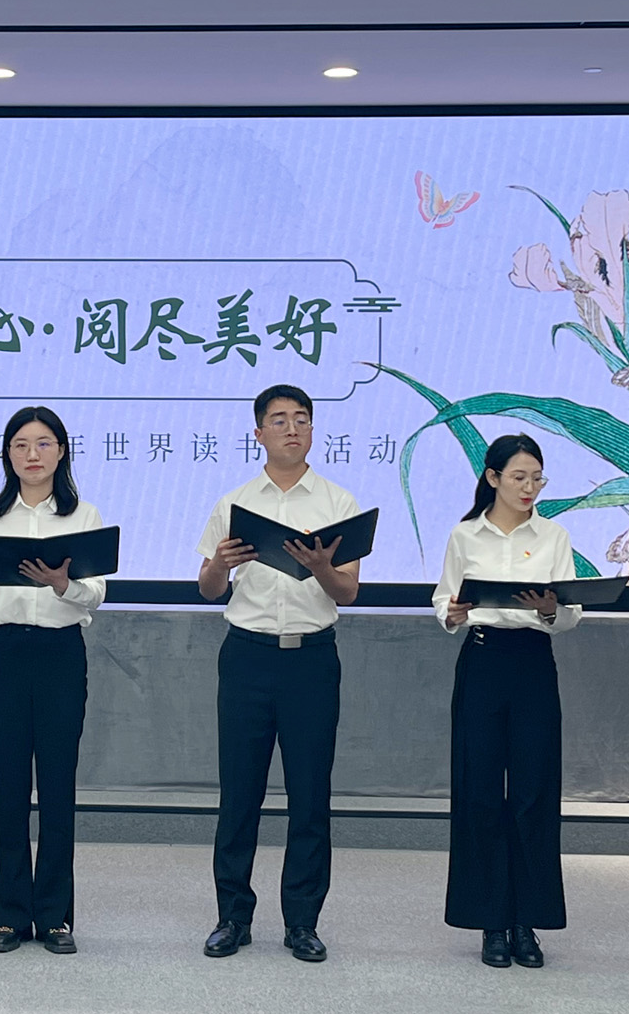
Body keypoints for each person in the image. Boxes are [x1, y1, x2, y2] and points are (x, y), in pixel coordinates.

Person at [196, 384, 361, 963]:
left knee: (310, 795)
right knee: (239, 794)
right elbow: (209, 589)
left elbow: (348, 591)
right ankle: (232, 917)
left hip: (311, 660)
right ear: (259, 433)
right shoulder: (235, 503)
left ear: (313, 430)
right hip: (248, 656)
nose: (292, 429)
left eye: (302, 419)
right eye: (280, 420)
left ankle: (302, 922)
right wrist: (220, 564)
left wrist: (321, 567)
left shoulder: (338, 502)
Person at [0, 406, 105, 956]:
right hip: (6, 652)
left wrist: (63, 584)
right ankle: (10, 916)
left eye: (43, 443)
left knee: (58, 784)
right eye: (20, 444)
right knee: (10, 783)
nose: (32, 454)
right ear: (7, 455)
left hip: (61, 653)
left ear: (61, 451)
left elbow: (95, 595)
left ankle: (56, 916)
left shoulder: (83, 515)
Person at [431, 433, 581, 969]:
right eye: (519, 477)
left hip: (532, 662)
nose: (529, 487)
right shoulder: (465, 534)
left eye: (537, 478)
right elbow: (444, 600)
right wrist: (451, 612)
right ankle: (491, 922)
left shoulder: (554, 535)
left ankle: (526, 922)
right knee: (479, 790)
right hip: (482, 658)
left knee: (533, 791)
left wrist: (550, 610)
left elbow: (570, 613)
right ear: (493, 478)